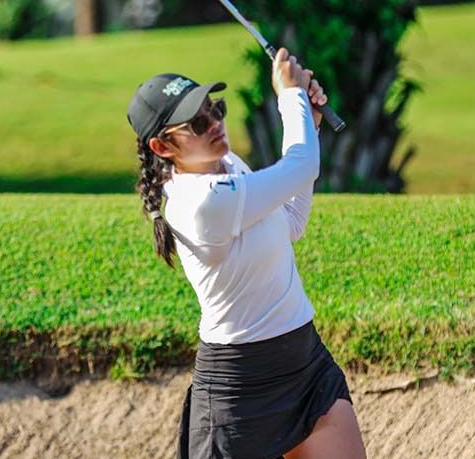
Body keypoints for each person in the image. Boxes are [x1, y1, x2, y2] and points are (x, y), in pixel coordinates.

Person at [126, 47, 367, 459]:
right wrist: (290, 96)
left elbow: (291, 220)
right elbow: (301, 166)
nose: (215, 124)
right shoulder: (198, 203)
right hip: (240, 391)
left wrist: (309, 123)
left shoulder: (228, 164)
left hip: (304, 362)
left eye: (215, 109)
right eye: (198, 122)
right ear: (162, 147)